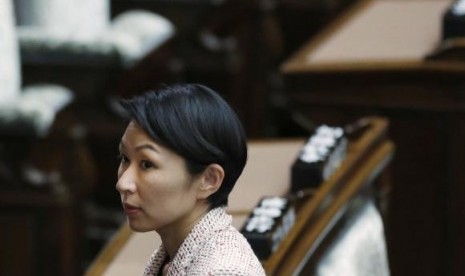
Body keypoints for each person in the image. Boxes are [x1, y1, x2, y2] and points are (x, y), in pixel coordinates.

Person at [115, 83, 265, 276]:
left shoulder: (223, 271)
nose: (122, 184)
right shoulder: (173, 255)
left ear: (209, 180)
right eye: (125, 159)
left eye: (147, 164)